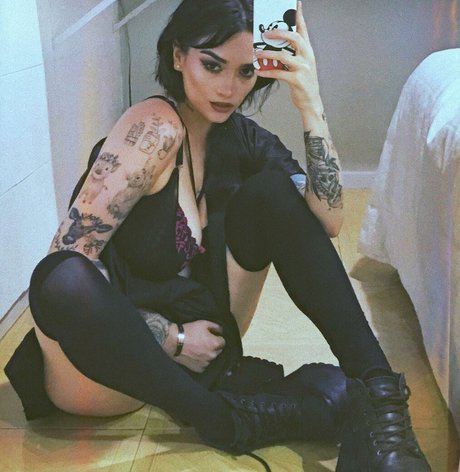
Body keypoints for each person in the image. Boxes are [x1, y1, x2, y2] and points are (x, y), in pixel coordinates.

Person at [5, 1, 431, 470]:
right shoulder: (152, 128)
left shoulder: (242, 139)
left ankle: (380, 399)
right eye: (212, 65)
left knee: (273, 196)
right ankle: (223, 419)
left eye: (246, 72)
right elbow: (64, 267)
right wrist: (171, 339)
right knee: (63, 277)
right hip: (102, 369)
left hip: (200, 358)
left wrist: (310, 99)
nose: (229, 88)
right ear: (177, 56)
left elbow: (327, 221)